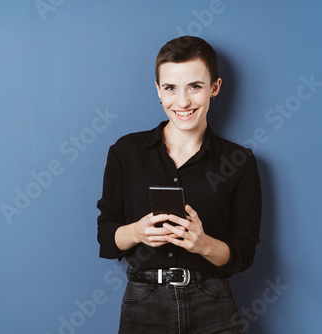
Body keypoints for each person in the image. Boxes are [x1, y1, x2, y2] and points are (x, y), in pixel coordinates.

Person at [96, 36, 262, 333]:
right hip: (143, 303)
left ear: (215, 88)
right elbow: (106, 237)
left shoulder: (240, 161)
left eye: (195, 87)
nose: (183, 102)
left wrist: (204, 244)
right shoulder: (126, 152)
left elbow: (244, 253)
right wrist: (137, 231)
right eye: (171, 88)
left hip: (213, 302)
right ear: (158, 90)